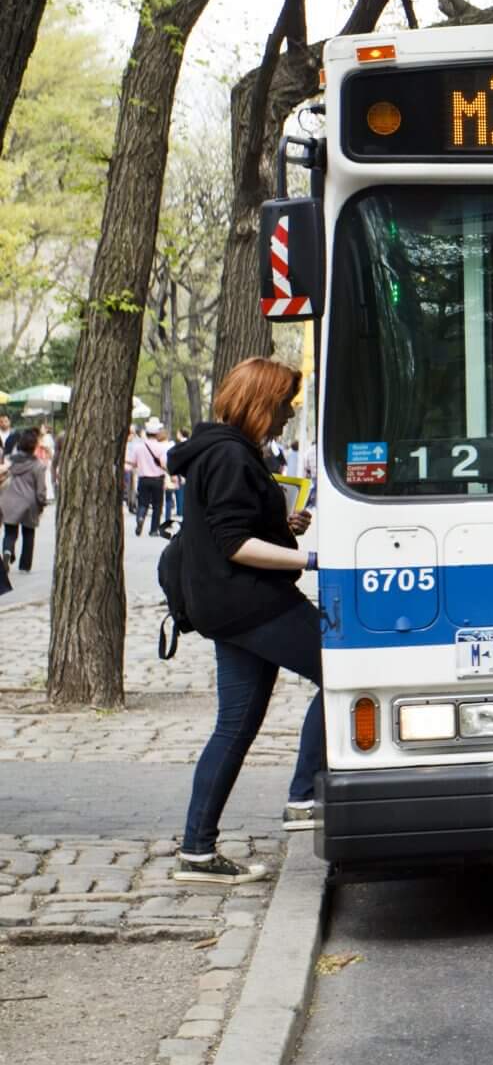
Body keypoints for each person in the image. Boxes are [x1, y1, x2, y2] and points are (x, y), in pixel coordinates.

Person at [171, 359, 324, 884]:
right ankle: (305, 796)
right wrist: (309, 559)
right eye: (283, 405)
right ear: (262, 402)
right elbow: (236, 545)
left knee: (234, 726)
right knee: (347, 671)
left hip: (226, 606)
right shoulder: (232, 456)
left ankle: (197, 849)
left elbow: (228, 530)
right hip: (253, 602)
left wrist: (284, 526)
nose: (286, 415)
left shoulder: (217, 452)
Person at [0, 426, 50, 574]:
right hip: (29, 503)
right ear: (34, 446)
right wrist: (42, 503)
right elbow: (41, 490)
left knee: (10, 533)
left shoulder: (12, 462)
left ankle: (7, 552)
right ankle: (25, 565)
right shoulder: (38, 466)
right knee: (28, 534)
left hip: (10, 500)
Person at [128, 419, 172, 536]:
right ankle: (153, 530)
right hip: (158, 479)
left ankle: (141, 517)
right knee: (157, 505)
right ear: (157, 434)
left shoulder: (138, 447)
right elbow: (163, 464)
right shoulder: (162, 447)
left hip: (144, 478)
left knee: (143, 502)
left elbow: (133, 463)